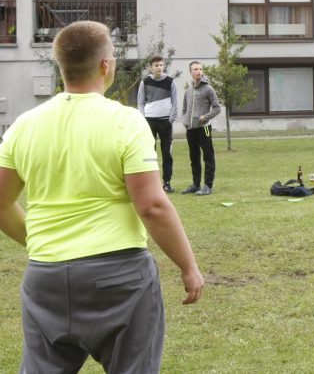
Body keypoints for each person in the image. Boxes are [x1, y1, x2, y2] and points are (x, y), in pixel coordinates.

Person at [0, 21, 204, 372]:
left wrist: (41, 243)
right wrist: (189, 267)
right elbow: (152, 205)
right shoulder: (125, 121)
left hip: (45, 278)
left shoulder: (24, 125)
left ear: (60, 67)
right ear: (106, 66)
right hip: (119, 279)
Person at [137, 54, 179, 193]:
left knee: (167, 154)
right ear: (151, 67)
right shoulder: (144, 82)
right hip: (149, 121)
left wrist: (171, 119)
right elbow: (140, 102)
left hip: (165, 122)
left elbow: (175, 102)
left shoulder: (170, 82)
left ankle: (166, 183)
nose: (159, 67)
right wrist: (143, 119)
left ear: (163, 66)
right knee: (150, 154)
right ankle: (151, 184)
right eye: (156, 65)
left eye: (161, 65)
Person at [181, 61, 221, 196]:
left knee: (208, 157)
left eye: (200, 69)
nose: (198, 71)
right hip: (190, 129)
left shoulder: (208, 89)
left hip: (204, 128)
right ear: (190, 72)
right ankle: (196, 184)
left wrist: (205, 117)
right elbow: (184, 109)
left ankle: (208, 186)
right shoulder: (188, 91)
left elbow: (217, 108)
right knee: (194, 157)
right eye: (195, 69)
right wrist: (185, 120)